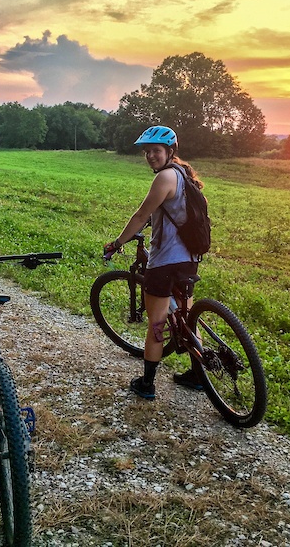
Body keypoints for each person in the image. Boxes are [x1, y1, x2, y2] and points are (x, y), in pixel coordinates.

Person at [103, 125, 204, 400]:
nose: (150, 156)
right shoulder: (185, 175)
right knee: (187, 317)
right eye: (146, 151)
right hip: (189, 260)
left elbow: (139, 215)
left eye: (156, 151)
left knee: (157, 324)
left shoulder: (164, 178)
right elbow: (173, 211)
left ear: (170, 151)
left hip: (165, 262)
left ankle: (146, 384)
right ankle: (198, 373)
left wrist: (117, 243)